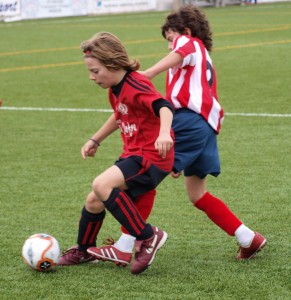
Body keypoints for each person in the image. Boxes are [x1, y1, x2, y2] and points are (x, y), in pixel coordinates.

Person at [90, 5, 267, 265]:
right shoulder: (198, 55)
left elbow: (182, 49)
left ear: (184, 31)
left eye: (170, 39)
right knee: (197, 194)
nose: (170, 46)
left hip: (189, 121)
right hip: (205, 127)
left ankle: (126, 245)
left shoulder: (191, 43)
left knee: (144, 173)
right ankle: (248, 238)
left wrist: (147, 73)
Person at [58, 31, 175, 275]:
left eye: (95, 71)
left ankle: (148, 236)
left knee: (101, 184)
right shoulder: (116, 88)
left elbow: (163, 106)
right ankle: (84, 249)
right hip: (134, 153)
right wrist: (96, 139)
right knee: (94, 199)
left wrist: (164, 134)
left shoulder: (136, 83)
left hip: (151, 156)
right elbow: (119, 115)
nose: (91, 77)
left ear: (112, 64)